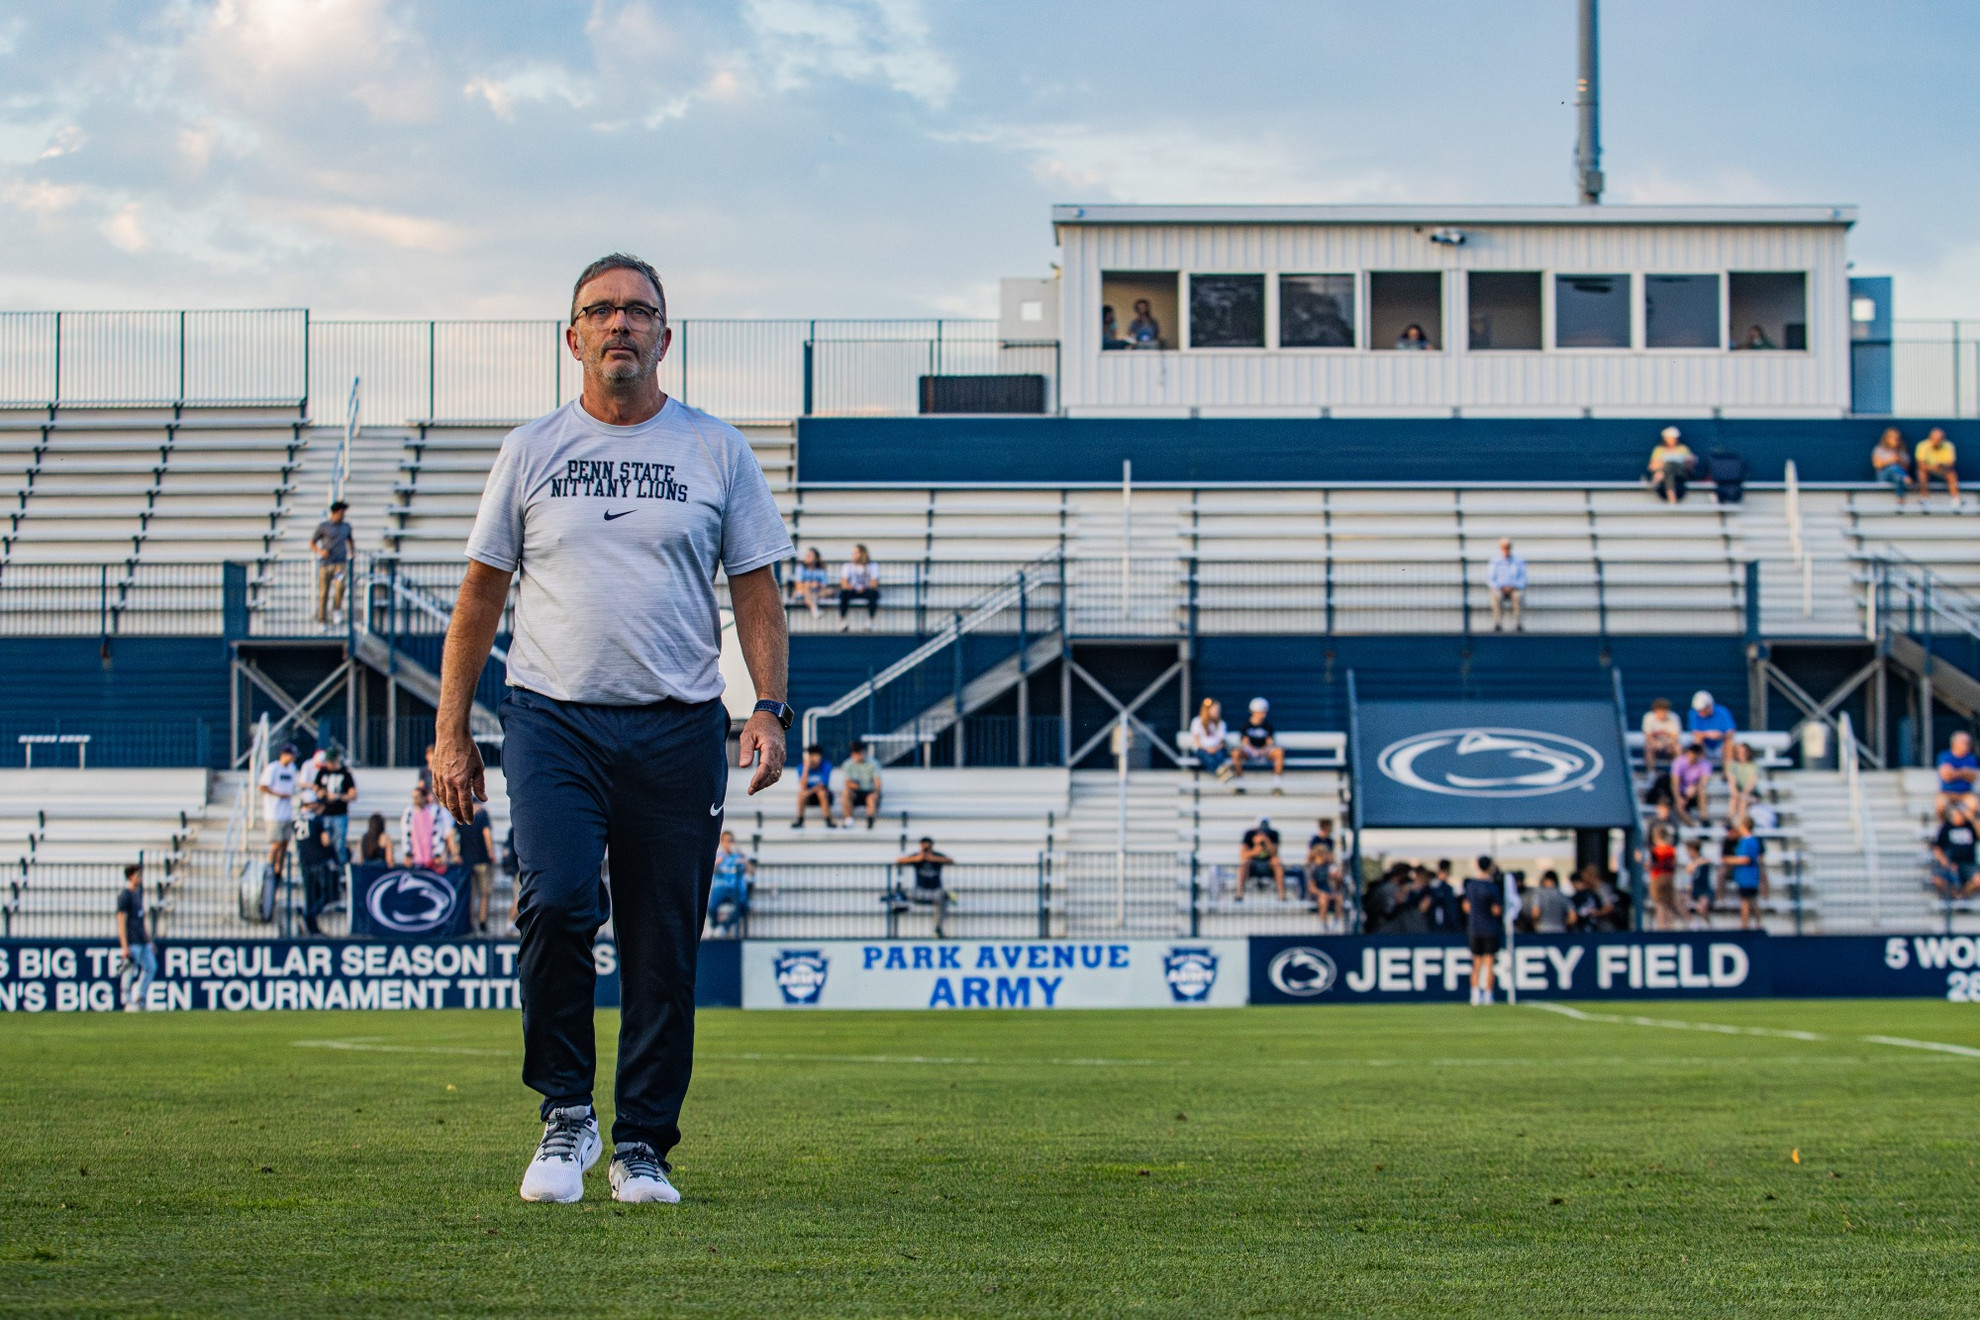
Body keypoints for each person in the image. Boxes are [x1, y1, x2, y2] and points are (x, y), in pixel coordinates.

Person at [433, 252, 794, 1207]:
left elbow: (756, 590)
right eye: (602, 311)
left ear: (667, 336)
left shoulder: (717, 450)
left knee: (661, 941)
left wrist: (767, 705)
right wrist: (451, 730)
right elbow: (479, 597)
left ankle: (642, 1144)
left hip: (679, 726)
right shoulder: (530, 448)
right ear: (574, 337)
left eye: (640, 311)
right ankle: (565, 1114)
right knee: (554, 903)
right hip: (554, 718)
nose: (621, 324)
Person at [312, 744, 358, 886]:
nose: (329, 765)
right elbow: (316, 787)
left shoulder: (345, 774)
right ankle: (327, 875)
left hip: (339, 814)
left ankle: (342, 874)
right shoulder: (323, 772)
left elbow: (353, 795)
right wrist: (321, 793)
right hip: (325, 814)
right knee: (325, 844)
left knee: (339, 845)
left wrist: (338, 796)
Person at [1461, 856, 1502, 1006]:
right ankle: (1488, 995)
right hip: (1490, 928)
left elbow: (1466, 907)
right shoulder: (1492, 886)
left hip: (1474, 928)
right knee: (1489, 962)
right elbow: (1496, 910)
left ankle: (1475, 995)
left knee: (1476, 963)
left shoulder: (1470, 885)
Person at [115, 862, 156, 1012]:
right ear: (131, 877)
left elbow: (141, 919)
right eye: (138, 875)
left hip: (142, 940)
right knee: (129, 970)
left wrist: (149, 940)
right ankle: (127, 1001)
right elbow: (121, 920)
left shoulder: (137, 894)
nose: (140, 878)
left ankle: (140, 997)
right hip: (132, 941)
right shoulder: (125, 895)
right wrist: (124, 946)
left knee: (151, 967)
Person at [894, 838, 954, 936]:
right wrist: (917, 859)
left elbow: (950, 861)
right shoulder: (917, 856)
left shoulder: (937, 855)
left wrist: (933, 859)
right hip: (920, 889)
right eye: (924, 845)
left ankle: (938, 928)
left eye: (928, 845)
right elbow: (899, 860)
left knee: (944, 898)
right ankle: (904, 907)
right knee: (900, 894)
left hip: (935, 890)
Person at [295, 796, 336, 936]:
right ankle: (309, 917)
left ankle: (311, 927)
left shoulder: (296, 820)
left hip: (304, 861)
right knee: (329, 893)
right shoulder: (317, 819)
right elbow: (325, 841)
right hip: (319, 860)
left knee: (310, 896)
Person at [455, 799, 498, 933]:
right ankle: (482, 921)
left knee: (471, 895)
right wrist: (491, 853)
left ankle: (471, 924)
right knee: (485, 893)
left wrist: (455, 854)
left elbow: (451, 835)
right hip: (482, 861)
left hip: (467, 863)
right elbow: (487, 834)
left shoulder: (462, 817)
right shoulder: (482, 815)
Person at [259, 743, 300, 878]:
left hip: (286, 812)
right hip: (274, 813)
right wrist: (278, 794)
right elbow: (263, 787)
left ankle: (278, 871)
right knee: (276, 844)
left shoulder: (292, 769)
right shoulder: (273, 768)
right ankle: (269, 868)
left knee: (284, 844)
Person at [311, 500, 353, 625]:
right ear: (335, 513)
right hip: (326, 564)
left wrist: (352, 552)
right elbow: (312, 543)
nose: (343, 515)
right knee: (324, 592)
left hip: (340, 564)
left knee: (340, 587)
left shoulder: (346, 527)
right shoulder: (324, 526)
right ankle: (321, 619)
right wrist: (320, 551)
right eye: (341, 513)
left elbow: (350, 540)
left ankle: (336, 610)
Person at [1231, 697, 1284, 794]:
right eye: (1260, 712)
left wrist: (1264, 749)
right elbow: (1245, 742)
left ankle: (1277, 784)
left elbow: (1270, 741)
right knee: (1235, 753)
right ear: (1253, 712)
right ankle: (1239, 783)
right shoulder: (1246, 725)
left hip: (1264, 751)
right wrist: (1253, 750)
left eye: (1264, 712)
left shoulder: (1267, 725)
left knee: (1279, 752)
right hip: (1250, 751)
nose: (1263, 715)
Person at [1931, 802, 1980, 901]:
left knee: (1978, 879)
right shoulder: (1946, 827)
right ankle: (1955, 894)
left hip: (1968, 864)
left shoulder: (1970, 826)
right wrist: (1945, 862)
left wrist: (1972, 819)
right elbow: (1937, 847)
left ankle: (1963, 894)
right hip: (1950, 863)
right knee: (1937, 879)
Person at [401, 784, 456, 871]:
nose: (415, 800)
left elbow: (438, 833)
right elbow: (406, 834)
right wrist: (407, 853)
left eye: (417, 797)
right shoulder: (409, 813)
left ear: (424, 797)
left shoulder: (433, 811)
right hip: (415, 857)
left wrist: (438, 854)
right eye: (413, 797)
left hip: (431, 858)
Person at [708, 831, 752, 936]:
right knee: (711, 907)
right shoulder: (717, 856)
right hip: (720, 888)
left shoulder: (739, 856)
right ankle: (716, 927)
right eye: (726, 841)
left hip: (735, 889)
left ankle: (723, 927)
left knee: (743, 906)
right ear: (722, 842)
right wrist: (716, 864)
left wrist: (744, 861)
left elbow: (751, 871)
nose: (729, 843)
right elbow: (708, 872)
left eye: (731, 841)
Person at [1724, 819, 1765, 929]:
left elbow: (1747, 859)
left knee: (1746, 901)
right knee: (1751, 901)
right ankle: (1757, 924)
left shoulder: (1750, 841)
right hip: (1743, 876)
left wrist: (1730, 860)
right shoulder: (1743, 841)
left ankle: (1745, 927)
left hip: (1748, 876)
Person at [1645, 806, 1681, 930]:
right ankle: (1669, 927)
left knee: (1659, 904)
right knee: (1669, 903)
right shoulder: (1672, 849)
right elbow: (1674, 864)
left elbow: (1651, 865)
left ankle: (1661, 928)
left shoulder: (1656, 850)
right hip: (1669, 878)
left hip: (1657, 877)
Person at [839, 739, 882, 829]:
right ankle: (848, 820)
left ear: (864, 752)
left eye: (860, 753)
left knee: (872, 797)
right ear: (852, 754)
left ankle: (870, 820)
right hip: (856, 792)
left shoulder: (873, 763)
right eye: (856, 753)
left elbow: (877, 781)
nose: (859, 756)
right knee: (846, 793)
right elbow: (847, 783)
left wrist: (876, 791)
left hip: (870, 791)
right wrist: (856, 786)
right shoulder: (848, 764)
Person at [1305, 823, 1342, 926]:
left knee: (1339, 898)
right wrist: (1321, 893)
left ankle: (1336, 921)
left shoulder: (1328, 867)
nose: (1324, 856)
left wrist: (1337, 878)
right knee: (1323, 899)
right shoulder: (1313, 868)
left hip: (1327, 890)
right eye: (1322, 854)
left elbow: (1336, 882)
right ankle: (1323, 923)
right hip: (1317, 893)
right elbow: (1311, 887)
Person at [1646, 426, 1695, 504]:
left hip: (1679, 474)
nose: (1672, 440)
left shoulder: (1683, 449)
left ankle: (1655, 481)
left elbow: (1690, 464)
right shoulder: (1659, 450)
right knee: (1668, 471)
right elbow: (1652, 465)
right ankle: (1672, 499)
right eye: (1670, 438)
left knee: (1669, 467)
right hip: (1667, 474)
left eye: (1674, 438)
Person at [1936, 731, 1980, 819]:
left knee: (1975, 805)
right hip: (1947, 793)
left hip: (1965, 793)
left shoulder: (1971, 758)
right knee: (1940, 805)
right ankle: (1944, 828)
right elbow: (1946, 776)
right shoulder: (1945, 756)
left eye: (1968, 743)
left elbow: (1973, 777)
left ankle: (1971, 829)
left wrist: (1954, 772)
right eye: (1965, 743)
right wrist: (1963, 772)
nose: (1968, 745)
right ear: (1955, 743)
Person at [1486, 537, 1527, 632]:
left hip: (1514, 589)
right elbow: (1491, 579)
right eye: (1504, 547)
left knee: (1518, 596)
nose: (1506, 549)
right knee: (1496, 595)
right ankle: (1498, 623)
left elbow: (1523, 579)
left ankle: (1518, 623)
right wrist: (1501, 587)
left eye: (1508, 547)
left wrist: (1513, 586)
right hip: (1500, 588)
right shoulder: (1495, 561)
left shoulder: (1518, 561)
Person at [1914, 427, 1961, 508]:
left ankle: (1956, 499)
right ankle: (1924, 498)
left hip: (1943, 470)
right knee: (1921, 473)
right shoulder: (1922, 445)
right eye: (1935, 439)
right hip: (1928, 469)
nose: (1937, 441)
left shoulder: (1948, 446)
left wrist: (1941, 466)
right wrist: (1932, 467)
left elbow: (1951, 464)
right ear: (1930, 438)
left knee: (1951, 474)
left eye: (1939, 439)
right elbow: (1920, 465)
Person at [1641, 697, 1684, 784]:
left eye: (1665, 711)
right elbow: (1648, 736)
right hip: (1655, 745)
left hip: (1669, 745)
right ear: (1655, 711)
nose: (1663, 714)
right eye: (1661, 711)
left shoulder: (1674, 717)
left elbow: (1675, 736)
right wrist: (1656, 744)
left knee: (1678, 748)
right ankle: (1651, 773)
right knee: (1648, 748)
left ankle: (1678, 773)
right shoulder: (1648, 717)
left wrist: (1667, 744)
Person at [1686, 690, 1737, 765]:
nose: (1700, 712)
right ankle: (1702, 770)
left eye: (1702, 709)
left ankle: (1728, 772)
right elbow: (1695, 733)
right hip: (1705, 746)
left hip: (1720, 744)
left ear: (1709, 706)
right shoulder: (1693, 713)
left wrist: (1720, 735)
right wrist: (1708, 734)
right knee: (1698, 740)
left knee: (1729, 743)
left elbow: (1731, 732)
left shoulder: (1722, 712)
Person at [1239, 817, 1284, 900]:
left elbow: (1274, 853)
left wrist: (1266, 842)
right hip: (1253, 865)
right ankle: (1239, 894)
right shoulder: (1249, 834)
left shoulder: (1273, 834)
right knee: (1244, 863)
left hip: (1268, 866)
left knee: (1277, 862)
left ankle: (1281, 894)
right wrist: (1256, 849)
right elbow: (1243, 854)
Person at [792, 744, 834, 828]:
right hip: (809, 796)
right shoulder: (802, 767)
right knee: (801, 794)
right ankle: (800, 819)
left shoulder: (826, 766)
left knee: (821, 792)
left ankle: (828, 820)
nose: (817, 759)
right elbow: (803, 786)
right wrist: (806, 768)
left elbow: (822, 785)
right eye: (814, 756)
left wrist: (809, 792)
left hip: (824, 795)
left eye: (818, 756)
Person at [838, 545, 879, 631]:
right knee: (843, 594)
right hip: (852, 590)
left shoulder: (872, 566)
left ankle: (870, 622)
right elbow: (843, 584)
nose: (853, 555)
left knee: (874, 594)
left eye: (856, 553)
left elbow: (874, 583)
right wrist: (853, 587)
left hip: (866, 590)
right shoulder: (848, 566)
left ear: (863, 554)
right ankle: (843, 621)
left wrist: (864, 587)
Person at [1671, 743, 1712, 827]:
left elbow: (1703, 781)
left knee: (1702, 791)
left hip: (1694, 792)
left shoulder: (1705, 764)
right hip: (1681, 791)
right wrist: (1679, 798)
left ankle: (1703, 818)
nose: (1691, 757)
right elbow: (1675, 783)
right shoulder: (1678, 762)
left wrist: (1694, 788)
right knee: (1678, 806)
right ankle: (1692, 824)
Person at [1187, 698, 1230, 777]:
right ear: (1208, 710)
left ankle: (1220, 774)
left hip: (1217, 749)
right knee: (1207, 757)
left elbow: (1222, 742)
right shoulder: (1197, 721)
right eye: (1215, 709)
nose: (1217, 711)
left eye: (1218, 709)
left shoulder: (1221, 723)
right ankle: (1224, 775)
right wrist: (1207, 749)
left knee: (1219, 755)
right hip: (1202, 749)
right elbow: (1196, 741)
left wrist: (1214, 749)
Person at [1871, 427, 1914, 501]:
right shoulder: (1879, 449)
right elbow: (1877, 465)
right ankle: (1905, 477)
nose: (1896, 440)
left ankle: (1900, 497)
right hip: (1883, 476)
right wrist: (1891, 460)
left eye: (1897, 438)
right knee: (1893, 467)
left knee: (1897, 476)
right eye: (1893, 438)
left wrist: (1899, 460)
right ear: (1887, 439)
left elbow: (1907, 468)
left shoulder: (1902, 451)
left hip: (1897, 479)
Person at [788, 547, 831, 616]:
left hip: (816, 593)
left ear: (816, 558)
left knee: (830, 591)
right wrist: (811, 585)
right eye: (806, 555)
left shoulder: (821, 571)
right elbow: (798, 586)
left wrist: (817, 584)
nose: (807, 557)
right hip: (802, 593)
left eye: (810, 556)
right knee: (807, 586)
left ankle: (813, 605)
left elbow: (824, 586)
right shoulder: (800, 568)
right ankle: (814, 609)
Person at [1684, 838, 1715, 928]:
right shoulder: (1690, 862)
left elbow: (1709, 861)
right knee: (1680, 903)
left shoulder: (1703, 860)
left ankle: (1709, 926)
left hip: (1704, 890)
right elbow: (1688, 871)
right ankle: (1692, 924)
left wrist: (1696, 863)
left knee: (1702, 907)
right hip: (1694, 890)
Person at [1725, 740, 1759, 824]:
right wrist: (1736, 793)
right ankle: (1730, 821)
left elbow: (1752, 783)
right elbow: (1732, 782)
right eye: (1738, 752)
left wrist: (1744, 793)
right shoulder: (1733, 766)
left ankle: (1741, 823)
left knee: (1743, 800)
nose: (1741, 754)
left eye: (1743, 752)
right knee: (1734, 799)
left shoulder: (1753, 766)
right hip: (1738, 794)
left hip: (1751, 794)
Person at [1529, 870, 1570, 934]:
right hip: (1560, 930)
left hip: (1543, 930)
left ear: (1545, 880)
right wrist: (1563, 924)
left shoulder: (1539, 894)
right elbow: (1573, 917)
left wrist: (1535, 925)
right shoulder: (1562, 896)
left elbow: (1535, 913)